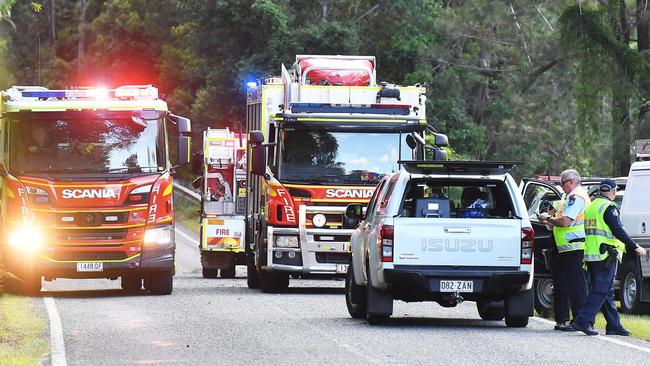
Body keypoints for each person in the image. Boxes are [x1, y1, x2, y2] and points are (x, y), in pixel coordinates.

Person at [571, 179, 647, 336]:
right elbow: (618, 230)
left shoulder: (592, 206)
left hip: (592, 254)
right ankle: (583, 320)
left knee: (607, 291)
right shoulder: (608, 207)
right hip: (604, 255)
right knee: (600, 290)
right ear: (613, 191)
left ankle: (613, 325)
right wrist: (635, 247)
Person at [538, 169, 590, 331]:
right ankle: (562, 320)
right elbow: (559, 218)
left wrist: (548, 218)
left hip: (575, 246)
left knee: (576, 285)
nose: (561, 187)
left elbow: (566, 222)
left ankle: (579, 320)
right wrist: (549, 218)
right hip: (564, 247)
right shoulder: (567, 197)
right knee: (562, 284)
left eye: (563, 183)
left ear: (572, 181)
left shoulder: (577, 197)